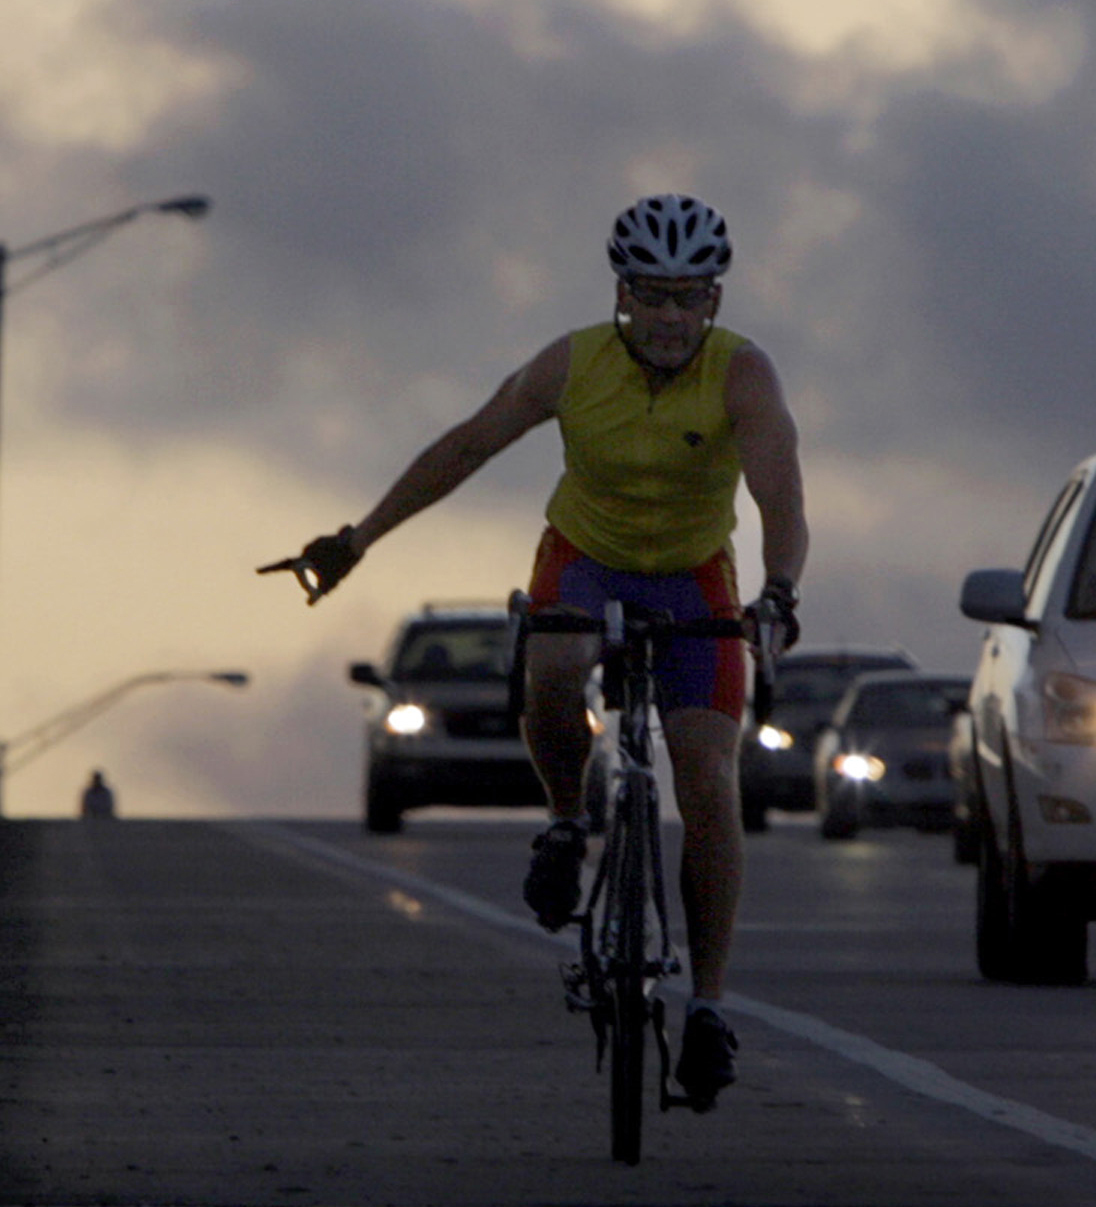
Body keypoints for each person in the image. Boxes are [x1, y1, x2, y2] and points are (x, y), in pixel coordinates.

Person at [260, 194, 807, 1109]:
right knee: (553, 666)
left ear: (712, 299)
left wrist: (780, 593)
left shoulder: (743, 375)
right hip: (583, 558)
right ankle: (566, 818)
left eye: (688, 298)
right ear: (620, 293)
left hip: (692, 575)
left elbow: (781, 497)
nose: (670, 317)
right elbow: (469, 444)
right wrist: (357, 540)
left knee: (709, 780)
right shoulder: (574, 361)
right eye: (650, 295)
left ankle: (708, 1006)